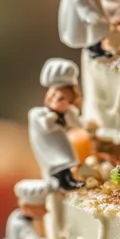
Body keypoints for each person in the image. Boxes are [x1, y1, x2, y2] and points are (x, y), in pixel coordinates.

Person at [28, 58, 84, 191]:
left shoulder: (68, 112)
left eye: (65, 99)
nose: (60, 102)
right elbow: (46, 125)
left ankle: (70, 180)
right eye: (58, 98)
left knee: (67, 161)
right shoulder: (38, 114)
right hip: (49, 146)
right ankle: (63, 183)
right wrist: (55, 116)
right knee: (59, 165)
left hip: (61, 142)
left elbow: (76, 124)